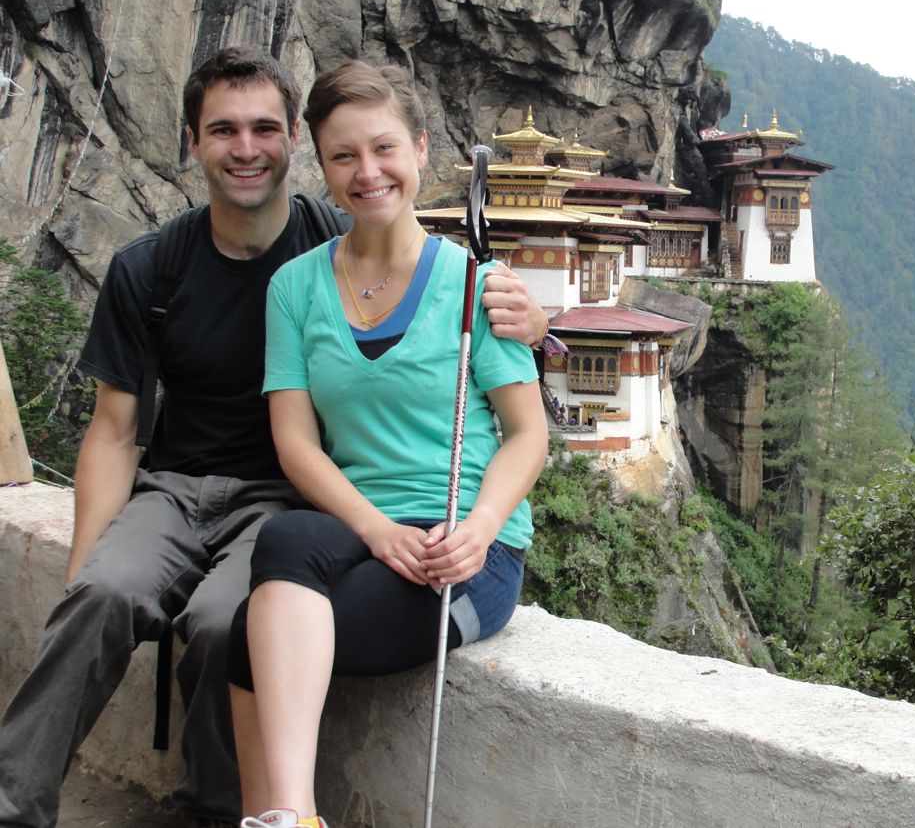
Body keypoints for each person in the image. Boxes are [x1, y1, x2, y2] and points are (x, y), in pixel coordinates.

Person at [0, 48, 547, 828]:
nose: (246, 148)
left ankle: (221, 810)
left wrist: (541, 322)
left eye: (264, 128)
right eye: (223, 130)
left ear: (292, 140)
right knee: (102, 592)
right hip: (188, 491)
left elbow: (443, 296)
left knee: (229, 623)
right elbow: (114, 433)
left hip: (284, 502)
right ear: (192, 140)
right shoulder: (160, 269)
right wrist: (83, 564)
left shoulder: (357, 239)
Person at [223, 59, 547, 828]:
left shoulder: (478, 284)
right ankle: (293, 817)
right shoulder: (294, 287)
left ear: (421, 149)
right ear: (322, 165)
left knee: (248, 638)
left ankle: (279, 817)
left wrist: (479, 529)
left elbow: (528, 433)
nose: (367, 172)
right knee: (286, 538)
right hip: (358, 530)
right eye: (344, 156)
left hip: (460, 544)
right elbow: (296, 443)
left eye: (384, 148)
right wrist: (375, 529)